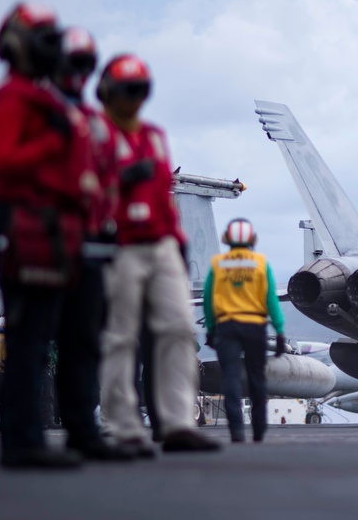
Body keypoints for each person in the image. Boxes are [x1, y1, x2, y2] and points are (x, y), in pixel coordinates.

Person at [0, 1, 98, 469]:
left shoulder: (53, 102)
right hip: (26, 223)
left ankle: (78, 432)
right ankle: (23, 442)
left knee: (70, 331)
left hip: (59, 228)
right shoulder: (15, 98)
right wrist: (55, 139)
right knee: (30, 333)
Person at [97, 54, 219, 455]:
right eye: (126, 90)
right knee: (121, 337)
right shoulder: (94, 136)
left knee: (179, 332)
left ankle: (177, 423)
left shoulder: (153, 135)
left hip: (162, 244)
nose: (133, 98)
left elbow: (164, 195)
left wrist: (178, 244)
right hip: (121, 244)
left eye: (140, 91)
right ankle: (123, 426)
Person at [49, 27, 133, 460]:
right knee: (36, 342)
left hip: (92, 247)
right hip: (45, 243)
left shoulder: (94, 124)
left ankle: (84, 429)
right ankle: (29, 437)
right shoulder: (33, 110)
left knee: (83, 341)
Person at [203, 218, 286, 443]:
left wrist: (211, 329)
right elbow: (271, 300)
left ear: (227, 239)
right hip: (254, 326)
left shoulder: (218, 264)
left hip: (227, 326)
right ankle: (259, 429)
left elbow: (208, 299)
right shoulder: (260, 263)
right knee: (257, 376)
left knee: (230, 375)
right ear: (252, 240)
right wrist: (279, 331)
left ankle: (236, 429)